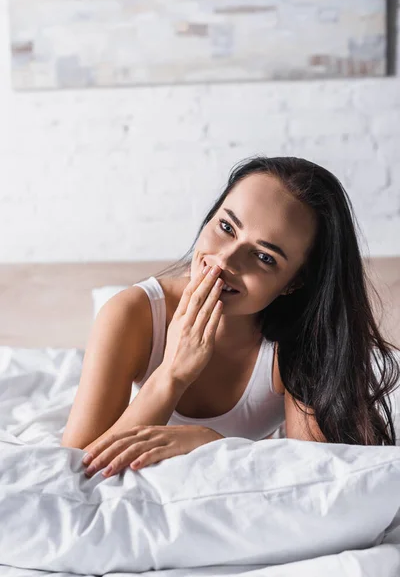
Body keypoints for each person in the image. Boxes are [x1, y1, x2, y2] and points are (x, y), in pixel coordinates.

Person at [61, 156, 400, 479]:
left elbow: (314, 475)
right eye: (226, 226)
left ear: (294, 283)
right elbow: (77, 469)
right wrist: (172, 375)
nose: (225, 259)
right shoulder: (131, 314)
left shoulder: (298, 342)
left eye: (264, 257)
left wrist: (213, 445)